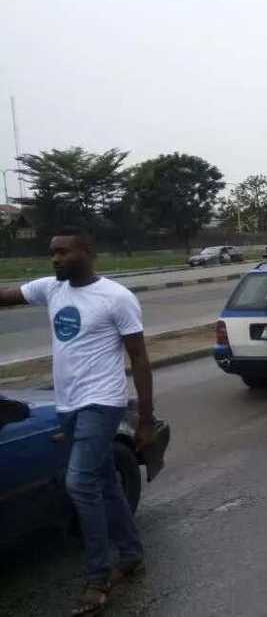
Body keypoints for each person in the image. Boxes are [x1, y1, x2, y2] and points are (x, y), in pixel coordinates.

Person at [0, 227, 156, 615]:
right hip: (67, 405)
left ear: (87, 252)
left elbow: (139, 358)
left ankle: (98, 577)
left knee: (80, 483)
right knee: (105, 482)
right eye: (52, 253)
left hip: (102, 403)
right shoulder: (52, 289)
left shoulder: (116, 297)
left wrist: (145, 419)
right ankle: (131, 553)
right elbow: (5, 296)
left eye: (63, 252)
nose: (55, 259)